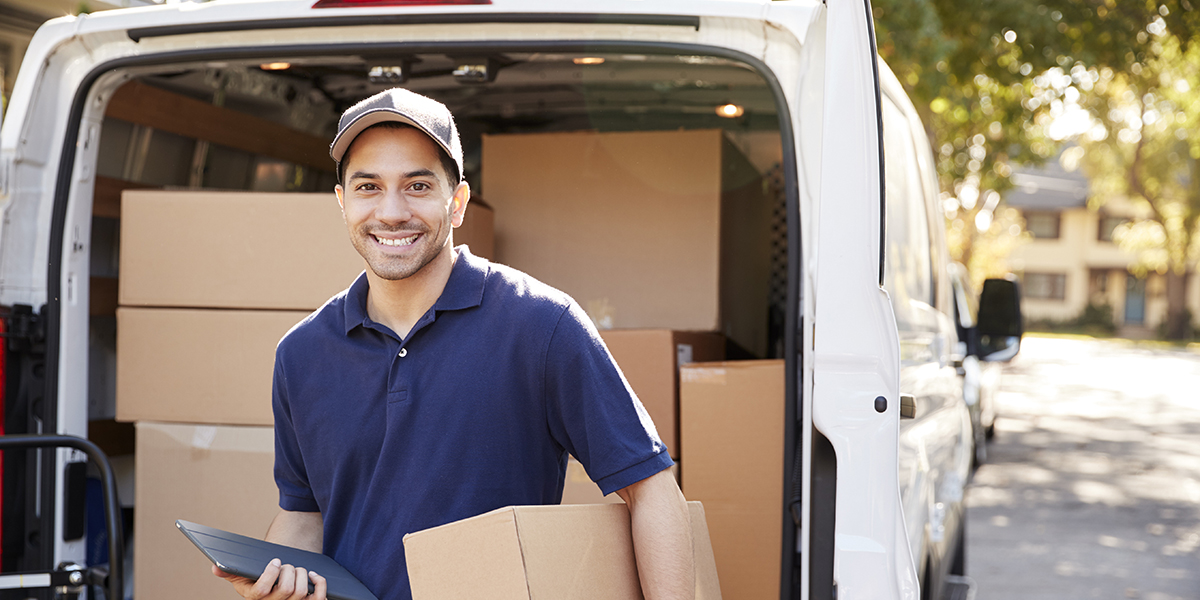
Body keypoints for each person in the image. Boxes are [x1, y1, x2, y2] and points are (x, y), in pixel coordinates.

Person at [213, 87, 695, 600]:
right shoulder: (301, 354)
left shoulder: (540, 325)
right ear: (343, 202)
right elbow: (304, 513)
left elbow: (651, 491)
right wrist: (270, 581)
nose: (392, 211)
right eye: (368, 186)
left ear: (458, 202)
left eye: (418, 186)